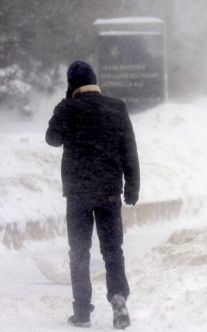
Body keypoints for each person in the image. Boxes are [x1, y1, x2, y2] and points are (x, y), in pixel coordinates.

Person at [46, 60, 140, 329]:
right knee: (112, 249)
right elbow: (129, 149)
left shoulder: (67, 108)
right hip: (109, 191)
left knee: (79, 251)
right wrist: (132, 186)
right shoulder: (116, 106)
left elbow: (52, 138)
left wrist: (67, 103)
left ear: (72, 85)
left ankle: (83, 312)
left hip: (77, 193)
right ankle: (118, 296)